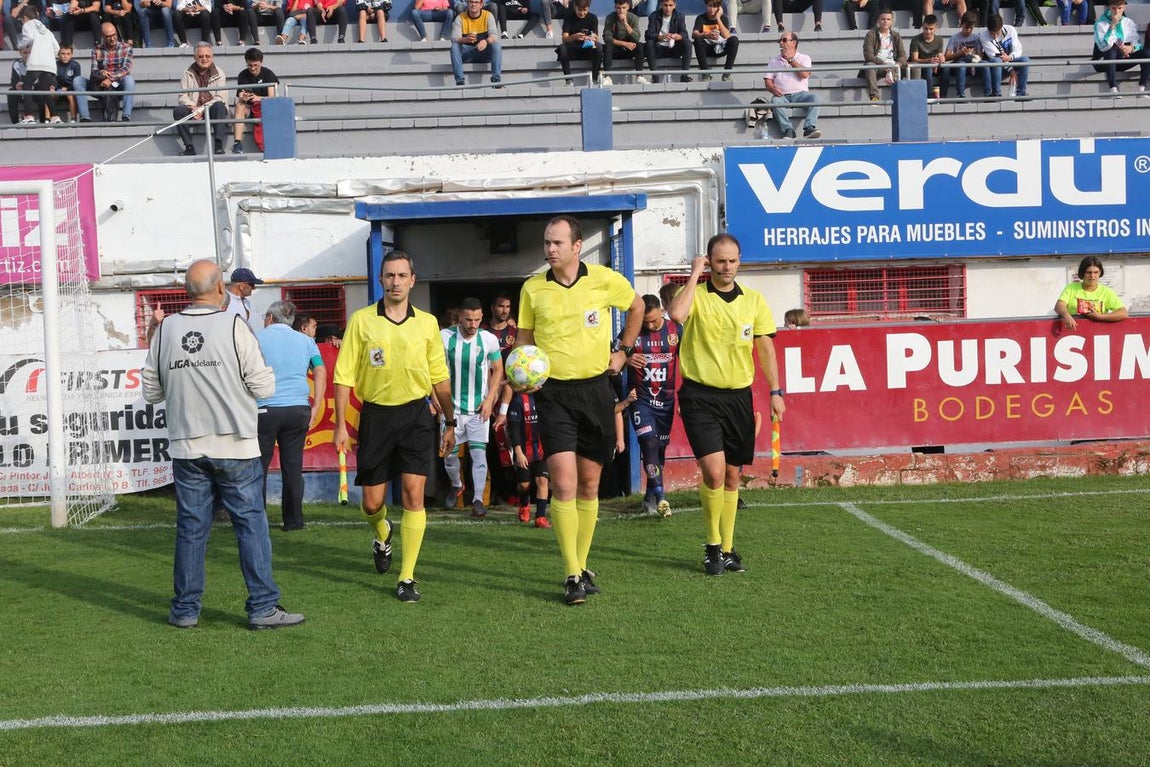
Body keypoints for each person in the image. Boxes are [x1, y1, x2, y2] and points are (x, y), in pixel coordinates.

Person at [142, 259, 305, 631]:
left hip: (187, 446)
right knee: (250, 525)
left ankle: (185, 609)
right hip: (235, 444)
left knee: (191, 528)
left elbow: (151, 391)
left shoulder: (166, 330)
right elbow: (264, 386)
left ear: (187, 291)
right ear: (220, 289)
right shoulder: (235, 326)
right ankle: (263, 607)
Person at [503, 215, 643, 606]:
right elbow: (524, 342)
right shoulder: (532, 289)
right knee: (562, 484)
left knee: (589, 485)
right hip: (554, 396)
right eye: (547, 242)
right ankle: (570, 574)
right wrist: (520, 372)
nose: (550, 249)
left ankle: (581, 566)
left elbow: (636, 306)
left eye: (557, 243)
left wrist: (624, 350)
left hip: (597, 390)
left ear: (577, 246)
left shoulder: (603, 279)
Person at [332, 251, 456, 604]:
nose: (396, 281)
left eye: (402, 275)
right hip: (376, 417)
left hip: (417, 416)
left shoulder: (428, 323)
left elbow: (439, 376)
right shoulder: (361, 321)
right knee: (372, 504)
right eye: (390, 275)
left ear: (412, 280)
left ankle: (407, 577)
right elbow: (343, 377)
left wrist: (450, 420)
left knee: (414, 497)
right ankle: (382, 531)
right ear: (381, 279)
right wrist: (341, 424)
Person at [668, 233, 785, 577]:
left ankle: (729, 549)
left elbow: (765, 348)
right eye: (719, 261)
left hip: (738, 397)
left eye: (732, 260)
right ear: (708, 262)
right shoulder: (695, 296)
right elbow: (676, 314)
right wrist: (693, 275)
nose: (727, 267)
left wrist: (776, 392)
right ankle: (712, 546)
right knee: (715, 472)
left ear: (739, 261)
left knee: (733, 476)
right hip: (699, 396)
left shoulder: (754, 300)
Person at [256, 300, 326, 531]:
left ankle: (257, 520)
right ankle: (294, 520)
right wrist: (316, 405)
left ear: (269, 318)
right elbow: (320, 370)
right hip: (298, 408)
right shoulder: (306, 341)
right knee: (293, 467)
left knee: (259, 467)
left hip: (265, 408)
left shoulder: (256, 338)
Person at [440, 296, 504, 518]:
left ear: (481, 317)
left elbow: (498, 368)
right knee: (449, 457)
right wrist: (436, 401)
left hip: (478, 410)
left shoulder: (488, 340)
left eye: (477, 320)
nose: (473, 325)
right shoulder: (444, 338)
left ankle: (477, 500)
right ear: (459, 318)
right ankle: (457, 485)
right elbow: (434, 372)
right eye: (468, 320)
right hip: (452, 411)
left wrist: (490, 399)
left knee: (479, 455)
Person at [625, 293, 680, 517]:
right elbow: (611, 358)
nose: (649, 325)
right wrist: (626, 359)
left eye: (654, 321)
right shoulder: (631, 331)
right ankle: (660, 496)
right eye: (645, 321)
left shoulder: (676, 331)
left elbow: (687, 361)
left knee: (658, 450)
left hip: (666, 402)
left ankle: (649, 497)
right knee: (648, 443)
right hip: (641, 400)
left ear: (662, 311)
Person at [757, 32, 820, 140]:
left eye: (784, 40)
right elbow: (768, 81)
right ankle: (788, 130)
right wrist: (773, 89)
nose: (781, 43)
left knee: (816, 98)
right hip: (783, 96)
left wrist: (790, 60)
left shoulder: (804, 58)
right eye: (780, 41)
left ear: (794, 43)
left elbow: (804, 75)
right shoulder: (774, 60)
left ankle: (809, 128)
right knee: (775, 101)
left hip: (801, 95)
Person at [74, 22, 136, 123]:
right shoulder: (96, 49)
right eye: (108, 36)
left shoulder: (127, 48)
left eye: (114, 35)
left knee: (129, 80)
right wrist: (101, 73)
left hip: (118, 84)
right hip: (100, 84)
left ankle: (126, 116)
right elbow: (93, 71)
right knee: (77, 81)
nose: (112, 38)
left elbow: (126, 68)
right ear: (103, 36)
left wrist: (110, 79)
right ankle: (85, 117)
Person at [174, 41, 228, 156]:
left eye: (207, 56)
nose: (204, 59)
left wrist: (201, 109)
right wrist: (192, 107)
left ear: (212, 57)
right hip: (194, 109)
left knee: (219, 105)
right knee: (178, 111)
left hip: (212, 108)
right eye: (200, 56)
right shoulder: (187, 73)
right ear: (195, 57)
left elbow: (220, 96)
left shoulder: (220, 73)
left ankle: (218, 145)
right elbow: (182, 95)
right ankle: (189, 147)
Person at [506, 389, 550, 528]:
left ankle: (540, 517)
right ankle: (524, 504)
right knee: (524, 485)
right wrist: (518, 452)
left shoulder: (546, 398)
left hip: (542, 450)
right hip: (524, 451)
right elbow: (513, 429)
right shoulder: (519, 400)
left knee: (542, 480)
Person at [1091, 0, 1148, 97]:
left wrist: (1131, 48)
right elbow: (1103, 46)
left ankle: (1141, 89)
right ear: (1109, 7)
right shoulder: (1100, 23)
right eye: (1113, 8)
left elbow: (1138, 44)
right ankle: (1113, 89)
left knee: (1146, 53)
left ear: (1124, 8)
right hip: (1102, 61)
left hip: (1120, 60)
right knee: (1111, 50)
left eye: (1119, 8)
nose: (1116, 12)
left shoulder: (1128, 22)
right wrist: (1112, 25)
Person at [1054, 256, 1128, 330]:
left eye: (1096, 272)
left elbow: (1123, 313)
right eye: (1089, 272)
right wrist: (1066, 315)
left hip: (1098, 334)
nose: (1092, 276)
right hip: (1074, 333)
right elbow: (1059, 306)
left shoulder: (1107, 292)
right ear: (1083, 273)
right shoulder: (1071, 288)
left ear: (1100, 273)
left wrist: (1100, 317)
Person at [16, 5, 59, 125]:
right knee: (45, 90)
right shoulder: (47, 30)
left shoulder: (27, 25)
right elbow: (57, 48)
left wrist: (20, 46)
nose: (22, 22)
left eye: (21, 19)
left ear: (25, 17)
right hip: (49, 64)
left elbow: (28, 38)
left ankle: (29, 116)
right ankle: (55, 117)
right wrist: (48, 56)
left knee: (27, 87)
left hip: (35, 62)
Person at [233, 46, 277, 154]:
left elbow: (272, 97)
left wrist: (258, 98)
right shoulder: (242, 74)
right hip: (249, 108)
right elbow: (240, 95)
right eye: (250, 65)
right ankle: (237, 143)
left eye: (255, 65)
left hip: (265, 108)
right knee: (240, 105)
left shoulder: (268, 74)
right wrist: (243, 97)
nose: (252, 68)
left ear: (261, 62)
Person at [450, 0, 502, 86]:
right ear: (467, 4)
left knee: (496, 45)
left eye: (476, 2)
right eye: (471, 2)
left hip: (484, 52)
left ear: (481, 4)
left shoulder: (488, 16)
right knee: (454, 46)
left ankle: (496, 80)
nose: (473, 4)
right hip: (467, 53)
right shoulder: (460, 18)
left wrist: (486, 41)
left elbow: (494, 36)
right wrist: (465, 39)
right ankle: (460, 81)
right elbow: (454, 38)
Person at [979, 13, 1028, 97]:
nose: (994, 36)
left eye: (997, 33)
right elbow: (995, 56)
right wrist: (1012, 71)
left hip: (1009, 60)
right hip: (996, 65)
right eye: (992, 34)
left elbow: (1018, 49)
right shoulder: (983, 35)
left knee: (1025, 60)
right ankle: (997, 94)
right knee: (997, 60)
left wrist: (1010, 57)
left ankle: (1021, 93)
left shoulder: (1011, 30)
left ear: (1001, 27)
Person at [862, 9, 906, 102]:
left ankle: (912, 96)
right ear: (878, 20)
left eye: (888, 19)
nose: (886, 21)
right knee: (869, 66)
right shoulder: (871, 34)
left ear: (892, 21)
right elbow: (868, 55)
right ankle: (874, 97)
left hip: (894, 66)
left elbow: (903, 55)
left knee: (914, 67)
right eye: (883, 19)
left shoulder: (896, 35)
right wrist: (883, 64)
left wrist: (898, 64)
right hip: (879, 66)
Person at [602, 0, 649, 85]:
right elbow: (606, 37)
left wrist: (626, 24)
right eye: (618, 8)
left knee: (639, 46)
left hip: (629, 49)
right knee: (607, 47)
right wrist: (624, 44)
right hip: (616, 49)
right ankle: (608, 76)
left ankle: (639, 76)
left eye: (623, 8)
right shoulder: (610, 17)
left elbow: (637, 37)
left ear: (628, 7)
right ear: (615, 7)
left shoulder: (633, 17)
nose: (621, 10)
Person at [644, 0, 692, 83]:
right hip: (659, 48)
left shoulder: (680, 16)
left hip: (673, 48)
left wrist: (678, 36)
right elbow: (648, 34)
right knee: (649, 43)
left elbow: (684, 33)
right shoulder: (654, 16)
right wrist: (660, 37)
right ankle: (655, 77)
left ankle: (684, 76)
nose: (668, 8)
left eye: (670, 5)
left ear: (674, 5)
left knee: (687, 43)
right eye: (665, 5)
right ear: (661, 5)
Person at [556, 0, 601, 85]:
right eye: (580, 10)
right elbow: (564, 39)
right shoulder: (568, 18)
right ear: (575, 7)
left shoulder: (593, 18)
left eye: (585, 10)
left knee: (599, 47)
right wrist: (575, 36)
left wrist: (591, 38)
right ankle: (568, 80)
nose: (582, 13)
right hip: (573, 48)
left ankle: (594, 78)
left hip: (587, 47)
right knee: (562, 48)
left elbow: (596, 37)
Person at [691, 0, 739, 81]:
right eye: (710, 6)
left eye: (715, 6)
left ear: (719, 7)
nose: (712, 9)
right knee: (697, 40)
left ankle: (727, 74)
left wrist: (718, 18)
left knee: (734, 40)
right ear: (706, 5)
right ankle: (705, 74)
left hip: (721, 48)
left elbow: (727, 36)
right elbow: (694, 34)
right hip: (707, 49)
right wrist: (706, 35)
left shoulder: (723, 18)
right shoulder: (700, 18)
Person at [941, 10, 981, 98]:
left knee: (972, 59)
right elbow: (946, 57)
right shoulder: (954, 38)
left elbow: (980, 55)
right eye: (966, 28)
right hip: (959, 64)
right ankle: (961, 94)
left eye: (971, 28)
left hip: (972, 64)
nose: (969, 30)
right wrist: (960, 53)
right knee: (961, 64)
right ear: (961, 24)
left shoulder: (976, 38)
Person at [909, 14, 945, 98]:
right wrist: (930, 60)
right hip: (921, 65)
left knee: (946, 69)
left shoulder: (939, 40)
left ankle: (943, 96)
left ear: (936, 28)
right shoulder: (915, 39)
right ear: (922, 27)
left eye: (931, 29)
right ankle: (929, 96)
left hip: (933, 64)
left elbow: (940, 55)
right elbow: (915, 58)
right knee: (928, 70)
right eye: (926, 29)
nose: (928, 31)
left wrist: (940, 59)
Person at [53, 43, 80, 124]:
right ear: (58, 54)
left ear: (71, 54)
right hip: (58, 90)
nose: (65, 56)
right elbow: (53, 79)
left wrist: (67, 89)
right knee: (51, 94)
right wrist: (58, 88)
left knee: (70, 95)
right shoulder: (55, 65)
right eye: (63, 53)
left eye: (68, 54)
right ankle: (51, 118)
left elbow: (77, 81)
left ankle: (73, 119)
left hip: (70, 90)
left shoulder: (75, 65)